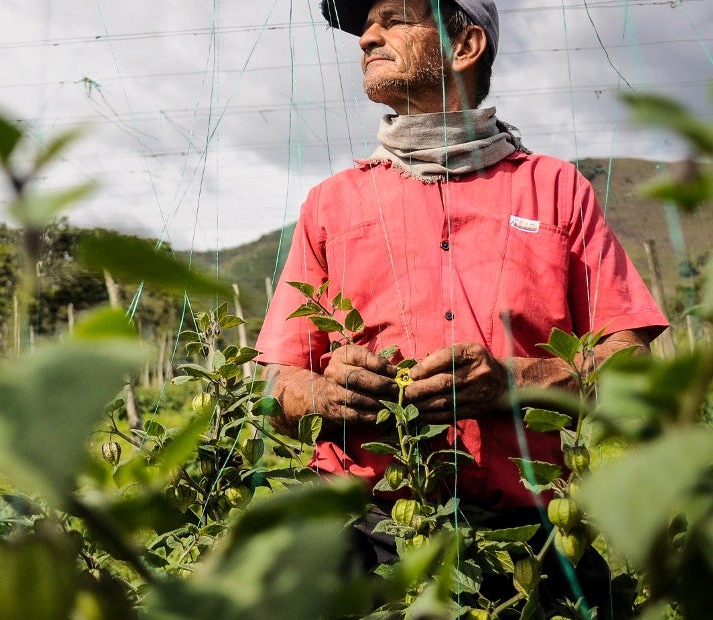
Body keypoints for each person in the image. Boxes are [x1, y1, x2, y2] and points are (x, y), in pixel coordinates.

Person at [255, 0, 669, 610]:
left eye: (395, 18)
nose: (368, 36)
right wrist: (320, 394)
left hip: (524, 538)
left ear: (464, 45)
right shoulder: (331, 204)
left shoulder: (555, 190)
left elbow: (628, 361)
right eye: (366, 25)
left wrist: (515, 379)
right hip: (364, 537)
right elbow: (273, 383)